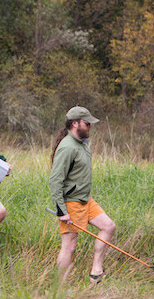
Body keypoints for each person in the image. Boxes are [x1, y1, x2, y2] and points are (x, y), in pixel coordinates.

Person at [49, 106, 116, 284]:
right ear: (75, 123)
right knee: (69, 245)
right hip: (71, 202)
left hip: (85, 200)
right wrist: (61, 211)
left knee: (108, 226)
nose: (90, 127)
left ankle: (96, 273)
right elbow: (55, 181)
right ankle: (60, 287)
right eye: (87, 123)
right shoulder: (67, 147)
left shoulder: (82, 144)